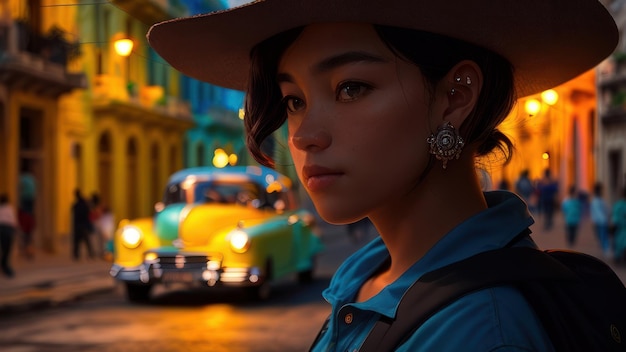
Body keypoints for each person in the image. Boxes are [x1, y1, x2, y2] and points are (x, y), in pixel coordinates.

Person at [146, 1, 617, 350]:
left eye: (351, 88)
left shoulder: (480, 330)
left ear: (455, 97)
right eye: (294, 100)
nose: (305, 134)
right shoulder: (370, 277)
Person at [71, 189, 94, 261]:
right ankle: (89, 254)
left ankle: (77, 255)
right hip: (83, 224)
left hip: (80, 225)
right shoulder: (82, 204)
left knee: (79, 241)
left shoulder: (77, 205)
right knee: (85, 241)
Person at [590, 182, 611, 257]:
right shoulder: (599, 201)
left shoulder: (596, 201)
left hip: (600, 221)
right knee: (603, 236)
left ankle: (606, 249)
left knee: (602, 236)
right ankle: (606, 249)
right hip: (602, 221)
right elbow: (607, 210)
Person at [0, 193, 18, 277]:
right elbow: (13, 220)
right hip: (7, 229)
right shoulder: (9, 208)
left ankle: (4, 265)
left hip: (2, 228)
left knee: (3, 249)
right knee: (7, 250)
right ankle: (5, 266)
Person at [612, 188, 626, 264]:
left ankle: (618, 257)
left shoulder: (618, 204)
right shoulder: (620, 204)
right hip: (622, 227)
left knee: (619, 243)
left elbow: (615, 217)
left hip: (620, 227)